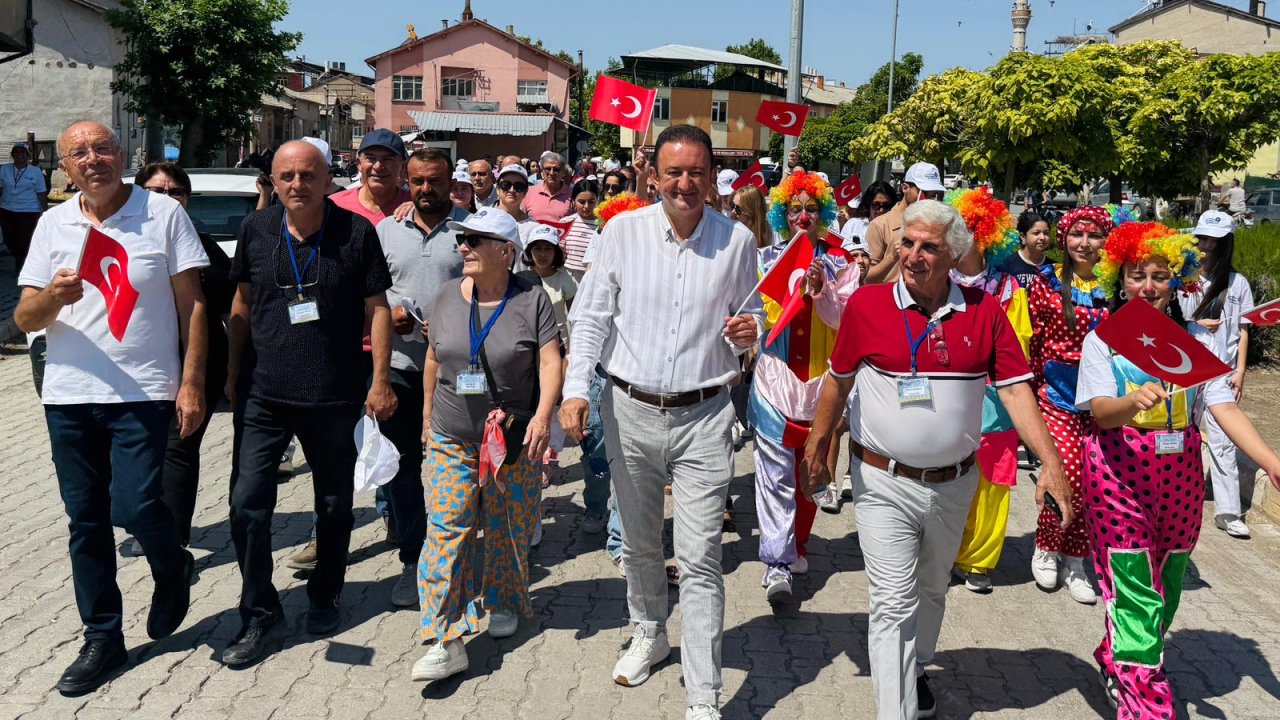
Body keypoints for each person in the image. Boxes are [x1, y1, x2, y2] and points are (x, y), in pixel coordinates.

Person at [800, 199, 1071, 720]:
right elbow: (838, 381)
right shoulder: (866, 306)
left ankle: (918, 665)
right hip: (881, 479)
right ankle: (895, 709)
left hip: (955, 483)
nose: (913, 255)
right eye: (907, 243)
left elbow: (1016, 393)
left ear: (956, 255)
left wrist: (1052, 464)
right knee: (892, 601)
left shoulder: (985, 311)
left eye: (929, 247)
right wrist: (817, 449)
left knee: (929, 590)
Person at [560, 126, 763, 720]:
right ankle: (649, 631)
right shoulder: (622, 232)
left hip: (704, 416)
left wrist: (752, 333)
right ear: (652, 174)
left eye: (696, 172)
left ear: (710, 175)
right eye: (673, 172)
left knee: (699, 556)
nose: (684, 183)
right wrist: (576, 392)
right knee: (642, 543)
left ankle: (704, 690)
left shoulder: (737, 241)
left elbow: (751, 315)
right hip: (628, 411)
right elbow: (593, 315)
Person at [14, 121, 208, 692]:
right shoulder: (53, 223)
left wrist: (192, 382)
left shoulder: (162, 214)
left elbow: (193, 305)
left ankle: (171, 564)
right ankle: (103, 637)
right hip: (70, 394)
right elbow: (23, 318)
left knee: (135, 502)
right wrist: (51, 297)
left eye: (102, 148)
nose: (92, 159)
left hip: (144, 391)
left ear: (120, 155)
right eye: (79, 153)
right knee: (87, 521)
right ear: (65, 168)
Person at [1078, 223, 1280, 716]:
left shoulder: (1195, 343)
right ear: (1119, 279)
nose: (1148, 286)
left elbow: (1222, 408)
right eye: (1136, 275)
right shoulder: (1103, 340)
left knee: (1165, 588)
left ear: (1179, 279)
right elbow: (1100, 412)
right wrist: (1130, 401)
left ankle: (1118, 658)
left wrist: (1273, 463)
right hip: (1117, 475)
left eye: (1160, 276)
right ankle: (1147, 705)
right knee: (1133, 591)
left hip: (1181, 478)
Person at [221, 140, 397, 666]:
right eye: (286, 176)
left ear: (328, 179)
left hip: (336, 393)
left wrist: (381, 381)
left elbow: (379, 309)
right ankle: (259, 611)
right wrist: (232, 372)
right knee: (246, 505)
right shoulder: (256, 230)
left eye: (307, 175)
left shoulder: (356, 232)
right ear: (273, 182)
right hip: (265, 394)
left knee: (334, 505)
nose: (297, 185)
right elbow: (242, 302)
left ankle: (325, 593)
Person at [411, 207, 562, 681]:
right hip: (451, 436)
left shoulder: (531, 298)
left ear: (505, 251)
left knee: (506, 529)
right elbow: (434, 359)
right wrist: (426, 419)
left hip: (509, 439)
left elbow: (550, 362)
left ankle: (501, 600)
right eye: (463, 240)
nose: (464, 248)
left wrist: (542, 417)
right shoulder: (444, 297)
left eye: (475, 242)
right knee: (447, 528)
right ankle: (444, 637)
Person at [749, 171, 857, 604]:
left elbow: (846, 321)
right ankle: (776, 562)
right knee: (773, 474)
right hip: (776, 380)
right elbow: (761, 315)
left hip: (820, 385)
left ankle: (798, 545)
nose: (803, 216)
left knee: (809, 473)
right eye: (795, 209)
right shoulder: (763, 259)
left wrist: (824, 291)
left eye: (812, 209)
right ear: (782, 214)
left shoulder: (841, 259)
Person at [376, 148, 468, 608]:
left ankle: (465, 558)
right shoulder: (386, 230)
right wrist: (390, 315)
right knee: (403, 468)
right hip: (401, 370)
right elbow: (369, 296)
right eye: (417, 181)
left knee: (461, 468)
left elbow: (496, 293)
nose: (425, 190)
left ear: (452, 181)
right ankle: (414, 559)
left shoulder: (472, 229)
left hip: (460, 376)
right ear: (406, 182)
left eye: (435, 181)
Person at [125, 163, 234, 551]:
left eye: (175, 192)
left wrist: (234, 370)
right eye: (156, 190)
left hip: (196, 361)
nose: (166, 199)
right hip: (135, 365)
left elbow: (229, 312)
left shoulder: (201, 246)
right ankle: (142, 519)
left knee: (178, 449)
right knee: (136, 449)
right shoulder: (118, 241)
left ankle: (173, 539)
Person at [1026, 206, 1117, 605]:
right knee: (1066, 472)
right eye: (1078, 235)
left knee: (1095, 480)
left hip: (1103, 399)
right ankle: (1047, 546)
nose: (1085, 243)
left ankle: (1077, 558)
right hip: (1056, 394)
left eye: (1094, 236)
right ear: (1065, 240)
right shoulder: (1045, 283)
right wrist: (1028, 394)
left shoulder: (1115, 287)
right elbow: (1031, 340)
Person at [943, 188, 1033, 595]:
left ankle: (978, 561)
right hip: (948, 399)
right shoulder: (939, 283)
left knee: (993, 483)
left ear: (989, 237)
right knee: (948, 480)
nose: (965, 240)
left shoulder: (1009, 288)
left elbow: (1018, 345)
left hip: (995, 402)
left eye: (972, 231)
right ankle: (945, 554)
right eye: (958, 231)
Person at [1179, 210, 1255, 538]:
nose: (1206, 245)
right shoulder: (1182, 278)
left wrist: (1239, 372)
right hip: (1184, 373)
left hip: (1220, 374)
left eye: (1214, 240)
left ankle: (1228, 511)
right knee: (1179, 437)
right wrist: (1195, 324)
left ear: (1226, 244)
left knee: (1223, 442)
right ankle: (1179, 498)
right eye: (1202, 238)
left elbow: (1244, 329)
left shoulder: (1237, 283)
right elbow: (1169, 322)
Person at [864, 163, 945, 285]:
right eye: (923, 192)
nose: (928, 199)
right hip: (889, 299)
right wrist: (892, 256)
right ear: (905, 188)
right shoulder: (879, 225)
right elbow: (867, 278)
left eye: (933, 195)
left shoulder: (935, 225)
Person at [330, 129, 410, 225]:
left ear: (402, 167)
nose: (377, 166)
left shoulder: (416, 209)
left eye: (387, 159)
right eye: (371, 158)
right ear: (359, 164)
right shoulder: (334, 205)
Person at [0, 142, 49, 268]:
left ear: (28, 156)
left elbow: (41, 192)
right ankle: (19, 257)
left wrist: (45, 212)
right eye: (16, 152)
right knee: (9, 239)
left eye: (22, 152)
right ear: (12, 155)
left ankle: (22, 263)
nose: (19, 155)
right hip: (7, 209)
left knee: (25, 239)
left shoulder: (35, 172)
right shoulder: (4, 169)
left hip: (29, 210)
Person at [840, 180, 897, 253]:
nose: (881, 210)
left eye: (887, 206)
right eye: (876, 205)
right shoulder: (853, 225)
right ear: (868, 204)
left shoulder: (897, 229)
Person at [1001, 210, 1053, 289]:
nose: (1042, 237)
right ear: (1023, 236)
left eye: (1046, 233)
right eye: (1036, 233)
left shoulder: (1053, 267)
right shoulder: (1007, 265)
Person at [560, 178, 599, 281]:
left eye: (591, 202)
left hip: (593, 278)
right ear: (573, 201)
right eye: (581, 202)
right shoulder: (565, 222)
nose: (586, 206)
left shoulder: (603, 225)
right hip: (567, 278)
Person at [523, 152, 572, 222]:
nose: (551, 173)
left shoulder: (572, 195)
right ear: (542, 172)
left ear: (563, 172)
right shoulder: (529, 193)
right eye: (548, 169)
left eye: (556, 170)